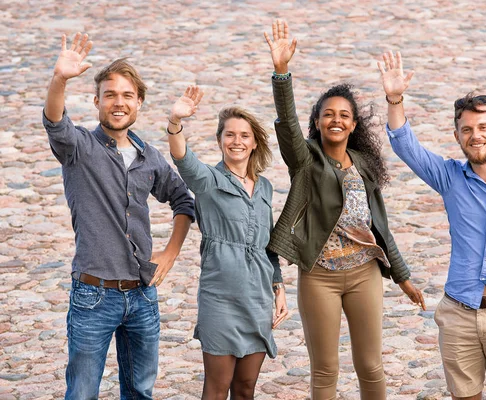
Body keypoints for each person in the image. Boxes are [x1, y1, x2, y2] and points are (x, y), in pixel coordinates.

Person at [263, 21, 425, 400]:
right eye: (328, 114)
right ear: (317, 123)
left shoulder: (364, 165)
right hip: (319, 278)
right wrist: (282, 73)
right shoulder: (306, 161)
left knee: (371, 366)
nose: (336, 120)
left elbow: (379, 228)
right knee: (325, 370)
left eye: (343, 116)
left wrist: (402, 277)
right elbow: (287, 125)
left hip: (364, 274)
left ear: (353, 125)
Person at [378, 51, 486, 400]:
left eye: (483, 127)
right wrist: (395, 98)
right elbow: (405, 145)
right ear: (457, 136)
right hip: (459, 314)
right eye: (467, 129)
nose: (476, 135)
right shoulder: (449, 178)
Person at [42, 33, 195, 398]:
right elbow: (55, 121)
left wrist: (170, 253)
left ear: (139, 103)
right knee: (81, 393)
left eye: (127, 95)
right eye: (110, 95)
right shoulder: (78, 148)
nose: (118, 102)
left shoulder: (150, 157)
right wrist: (60, 79)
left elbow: (183, 202)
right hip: (93, 295)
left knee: (140, 392)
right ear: (96, 101)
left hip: (143, 295)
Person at [165, 85, 289, 399]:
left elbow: (268, 245)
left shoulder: (265, 187)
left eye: (244, 135)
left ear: (255, 141)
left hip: (257, 298)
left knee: (246, 388)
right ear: (220, 140)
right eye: (230, 135)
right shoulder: (208, 180)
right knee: (217, 389)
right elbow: (182, 158)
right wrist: (175, 121)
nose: (237, 141)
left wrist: (279, 287)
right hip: (220, 298)